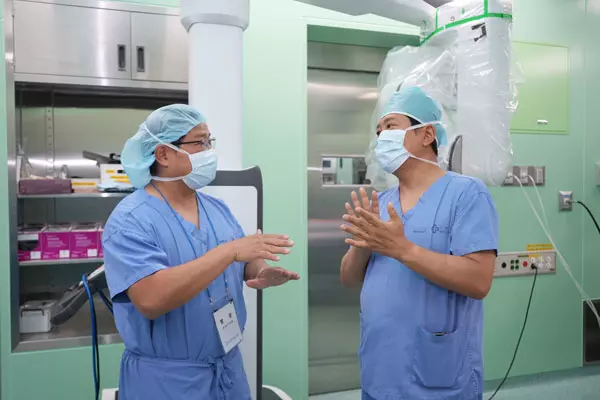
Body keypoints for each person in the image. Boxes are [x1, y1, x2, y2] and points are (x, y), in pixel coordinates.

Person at [102, 104, 300, 400]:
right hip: (168, 382)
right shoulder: (130, 220)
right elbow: (151, 299)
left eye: (210, 141)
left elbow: (241, 256)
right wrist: (229, 252)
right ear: (163, 154)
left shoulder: (215, 208)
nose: (209, 151)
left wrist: (259, 269)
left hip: (227, 373)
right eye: (200, 142)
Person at [340, 86, 498, 400]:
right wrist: (363, 245)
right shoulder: (381, 202)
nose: (381, 137)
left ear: (427, 135)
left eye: (391, 126)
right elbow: (348, 278)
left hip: (437, 372)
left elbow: (479, 280)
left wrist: (404, 250)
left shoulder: (467, 194)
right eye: (378, 130)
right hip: (380, 367)